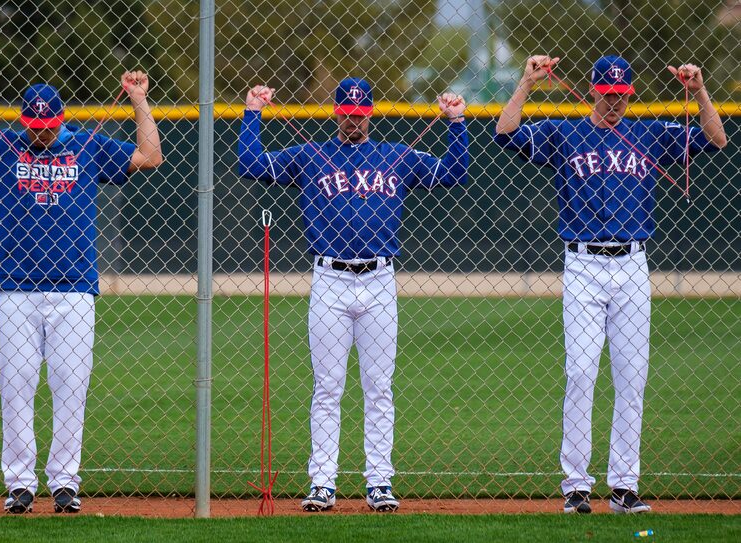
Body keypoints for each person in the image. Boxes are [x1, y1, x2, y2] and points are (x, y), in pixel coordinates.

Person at [495, 55, 727, 514]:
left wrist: (699, 90)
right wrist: (525, 82)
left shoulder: (650, 132)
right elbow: (505, 133)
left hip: (632, 266)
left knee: (631, 378)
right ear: (594, 89)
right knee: (581, 373)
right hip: (582, 264)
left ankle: (624, 488)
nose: (617, 102)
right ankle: (576, 487)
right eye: (609, 94)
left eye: (623, 95)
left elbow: (717, 138)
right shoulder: (564, 132)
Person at [0, 66, 163, 514]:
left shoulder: (87, 145)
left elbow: (150, 156)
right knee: (15, 387)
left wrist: (138, 100)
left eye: (48, 127)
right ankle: (19, 484)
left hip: (75, 291)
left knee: (70, 387)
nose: (40, 134)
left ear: (61, 119)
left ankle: (64, 483)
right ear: (23, 121)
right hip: (15, 290)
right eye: (34, 127)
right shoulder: (3, 145)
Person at [239, 78, 469, 512]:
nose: (354, 122)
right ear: (336, 113)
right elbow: (250, 164)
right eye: (347, 115)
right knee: (327, 388)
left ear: (371, 114)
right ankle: (322, 482)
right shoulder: (311, 155)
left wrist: (456, 123)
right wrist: (253, 113)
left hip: (380, 280)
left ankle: (379, 481)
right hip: (329, 279)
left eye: (360, 115)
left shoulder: (395, 155)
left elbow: (455, 173)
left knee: (378, 388)